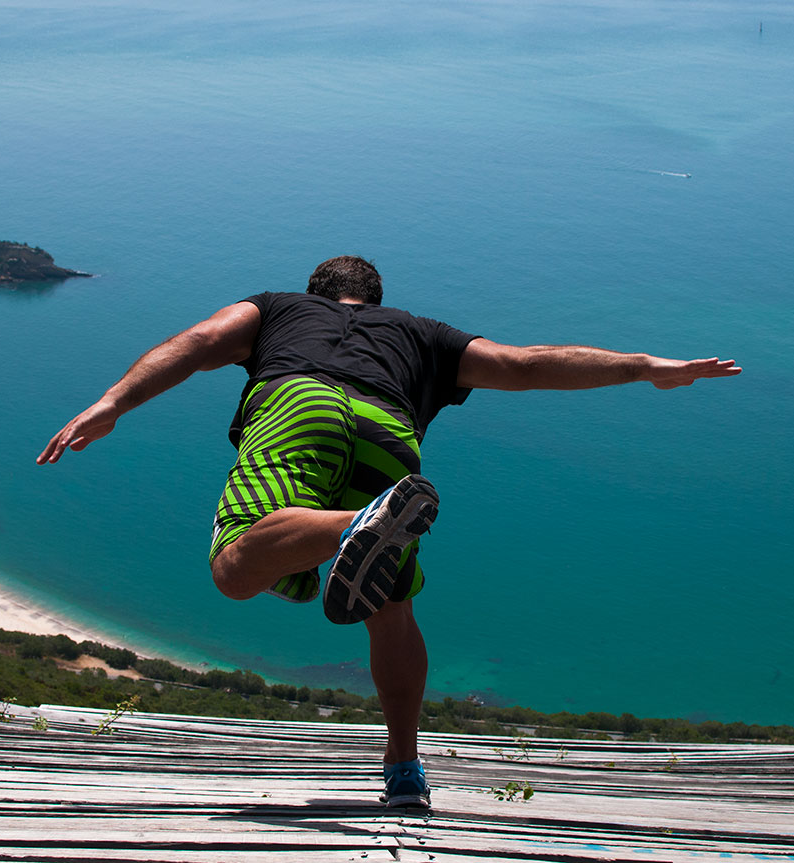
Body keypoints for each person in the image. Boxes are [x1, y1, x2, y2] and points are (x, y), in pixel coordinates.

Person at [37, 255, 740, 808]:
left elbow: (196, 343)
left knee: (234, 567)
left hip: (299, 404)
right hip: (390, 430)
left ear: (319, 290)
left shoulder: (277, 307)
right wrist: (647, 367)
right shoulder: (424, 334)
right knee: (392, 610)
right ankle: (404, 767)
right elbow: (527, 365)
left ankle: (351, 524)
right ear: (371, 297)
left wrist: (112, 402)